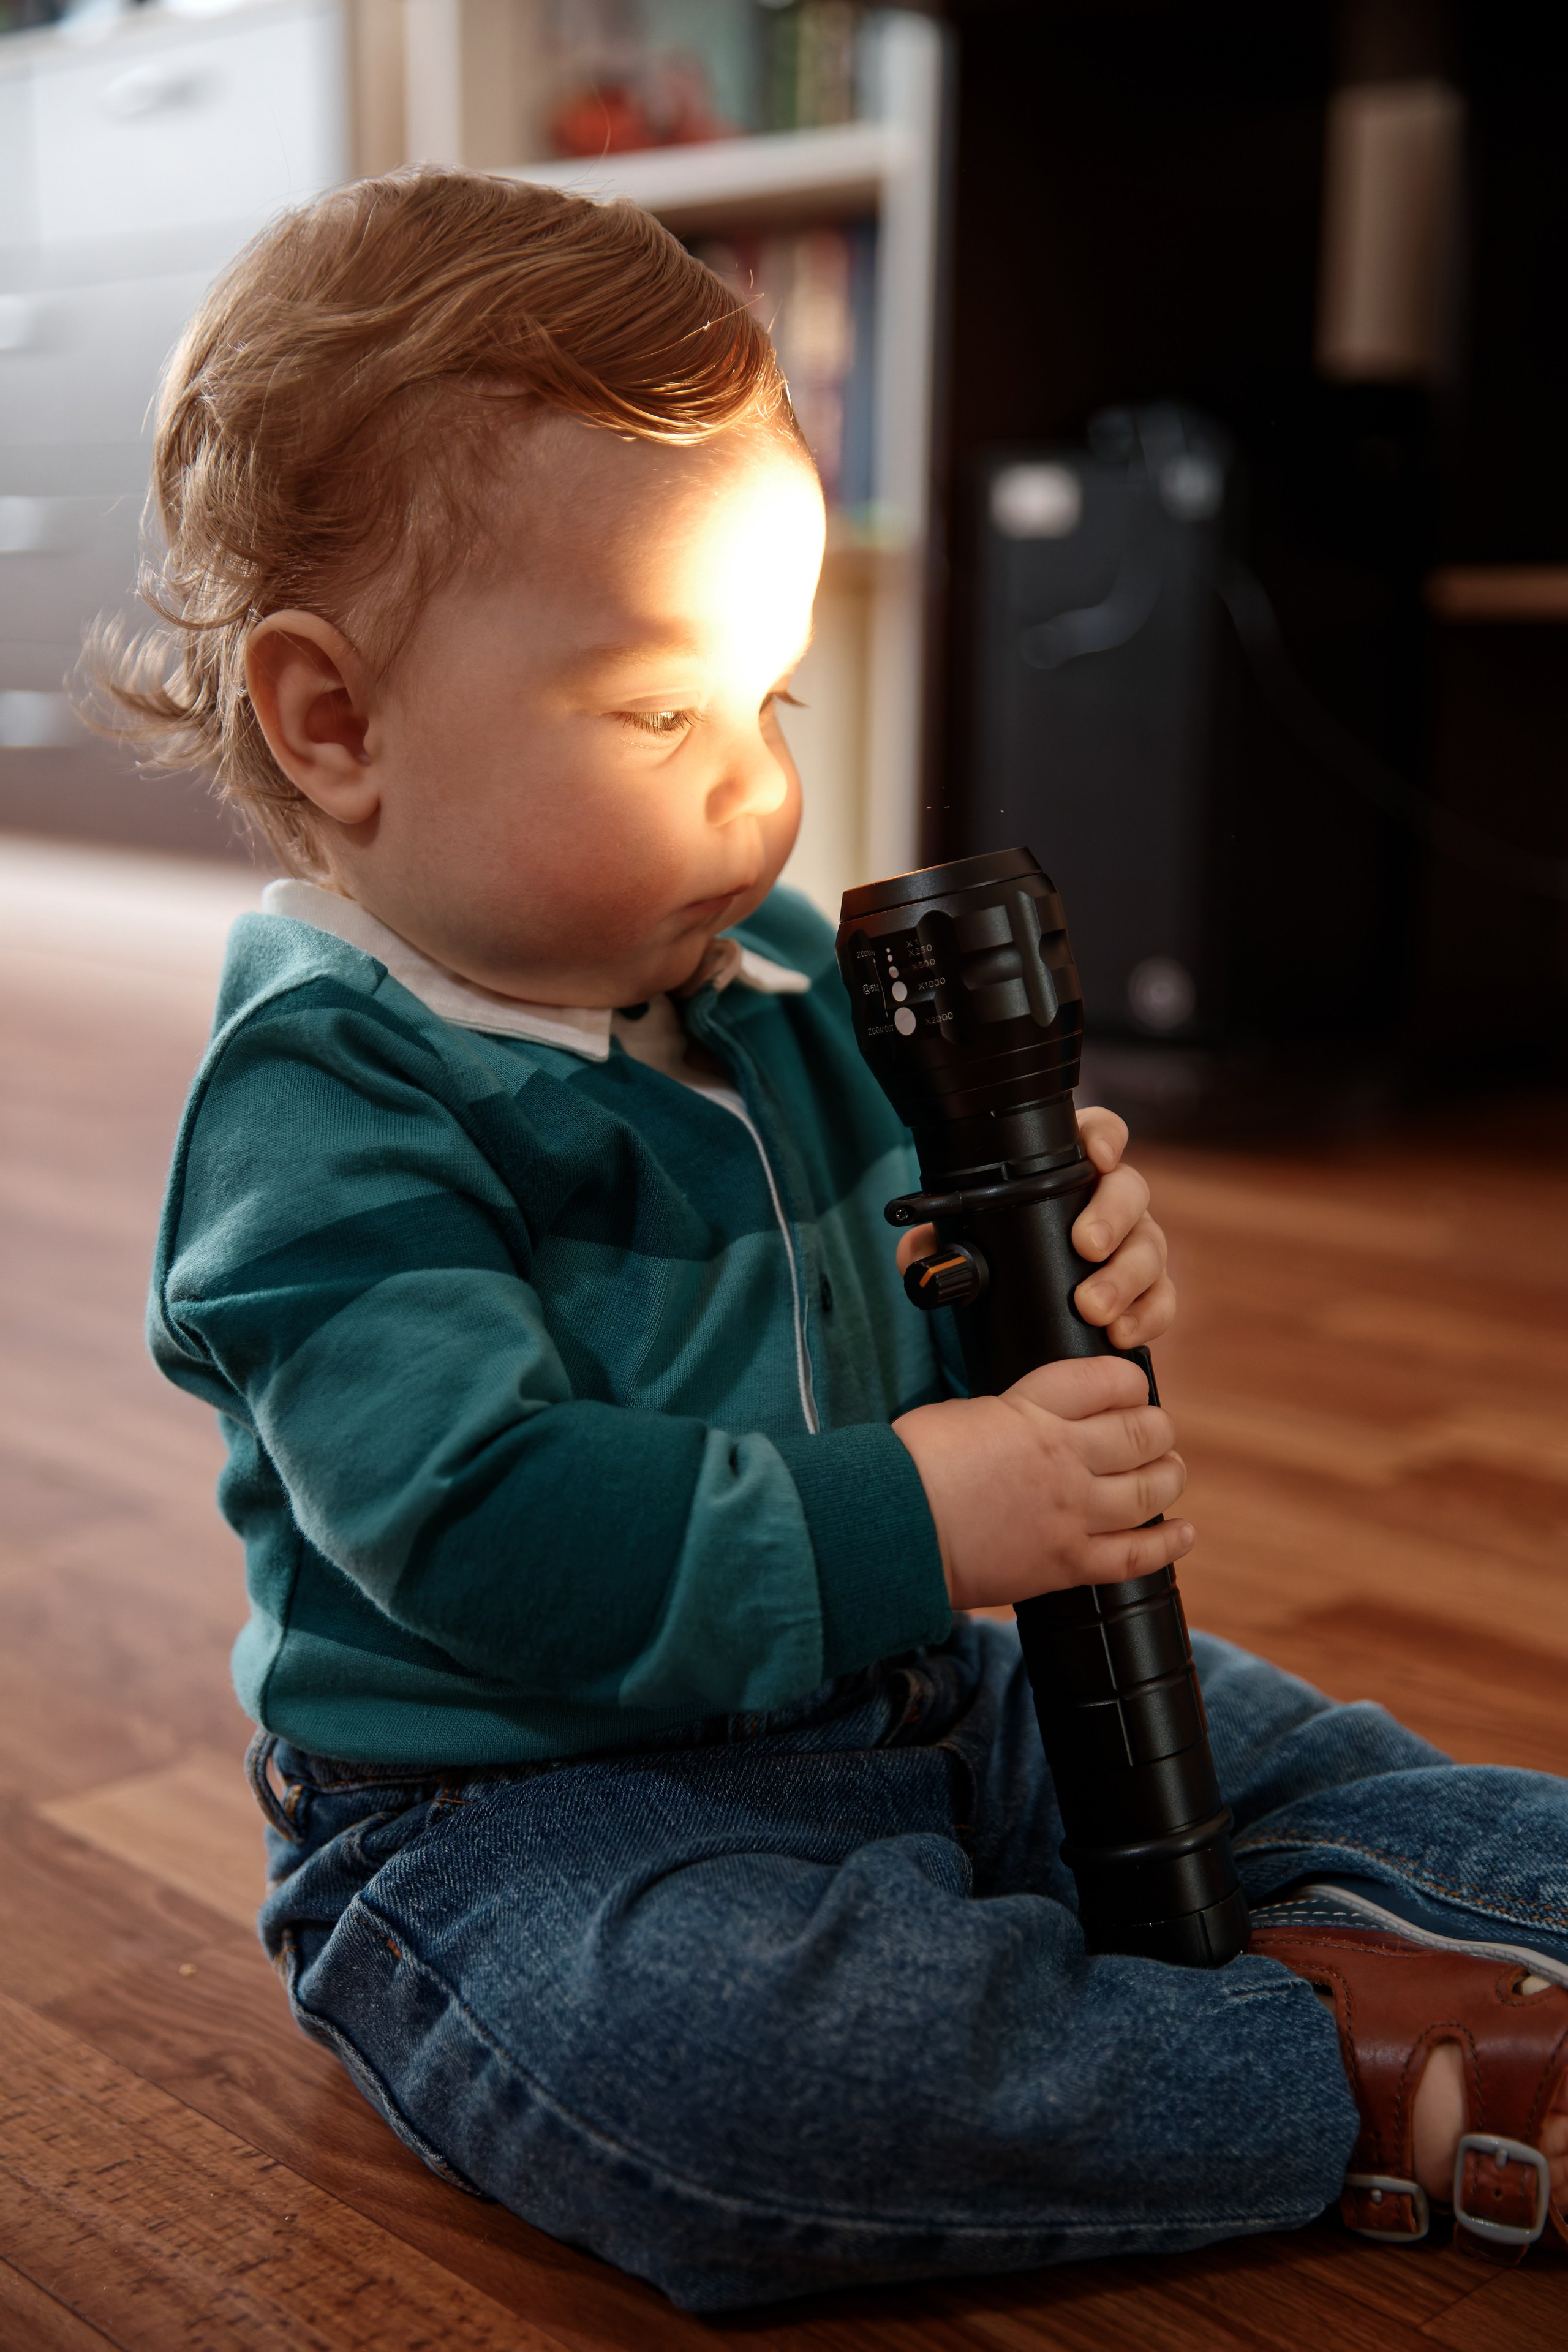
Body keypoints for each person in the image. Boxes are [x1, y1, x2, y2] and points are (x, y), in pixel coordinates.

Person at [110, 170, 1568, 2311]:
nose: (762, 800)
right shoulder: (326, 1109)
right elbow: (493, 1527)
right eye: (660, 714)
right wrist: (919, 1507)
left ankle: (1421, 1930)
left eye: (775, 703)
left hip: (909, 1693)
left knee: (1330, 1764)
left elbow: (916, 1339)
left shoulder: (774, 985)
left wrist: (1041, 1292)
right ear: (337, 723)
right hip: (530, 1819)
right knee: (725, 2079)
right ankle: (1325, 2073)